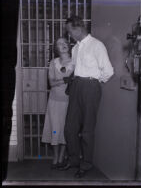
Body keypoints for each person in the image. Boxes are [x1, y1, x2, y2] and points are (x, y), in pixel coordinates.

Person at [58, 16, 114, 178]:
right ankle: (74, 160)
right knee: (70, 127)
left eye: (69, 31)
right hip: (76, 86)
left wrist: (93, 82)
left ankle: (86, 164)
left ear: (78, 29)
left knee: (87, 129)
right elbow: (74, 66)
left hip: (90, 87)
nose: (69, 35)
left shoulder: (97, 45)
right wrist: (65, 70)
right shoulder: (75, 48)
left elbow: (108, 71)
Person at [41, 37, 74, 169]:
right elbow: (51, 83)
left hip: (69, 103)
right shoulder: (53, 63)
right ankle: (55, 157)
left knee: (65, 131)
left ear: (69, 45)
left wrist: (64, 80)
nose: (63, 45)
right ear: (56, 49)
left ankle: (61, 157)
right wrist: (65, 80)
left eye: (65, 42)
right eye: (59, 44)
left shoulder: (76, 62)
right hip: (54, 102)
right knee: (55, 130)